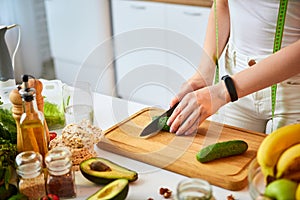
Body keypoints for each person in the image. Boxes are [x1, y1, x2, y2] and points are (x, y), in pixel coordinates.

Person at [167, 0, 300, 135]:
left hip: (293, 90)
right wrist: (203, 73)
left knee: (279, 156)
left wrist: (223, 92)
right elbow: (222, 4)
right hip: (232, 78)